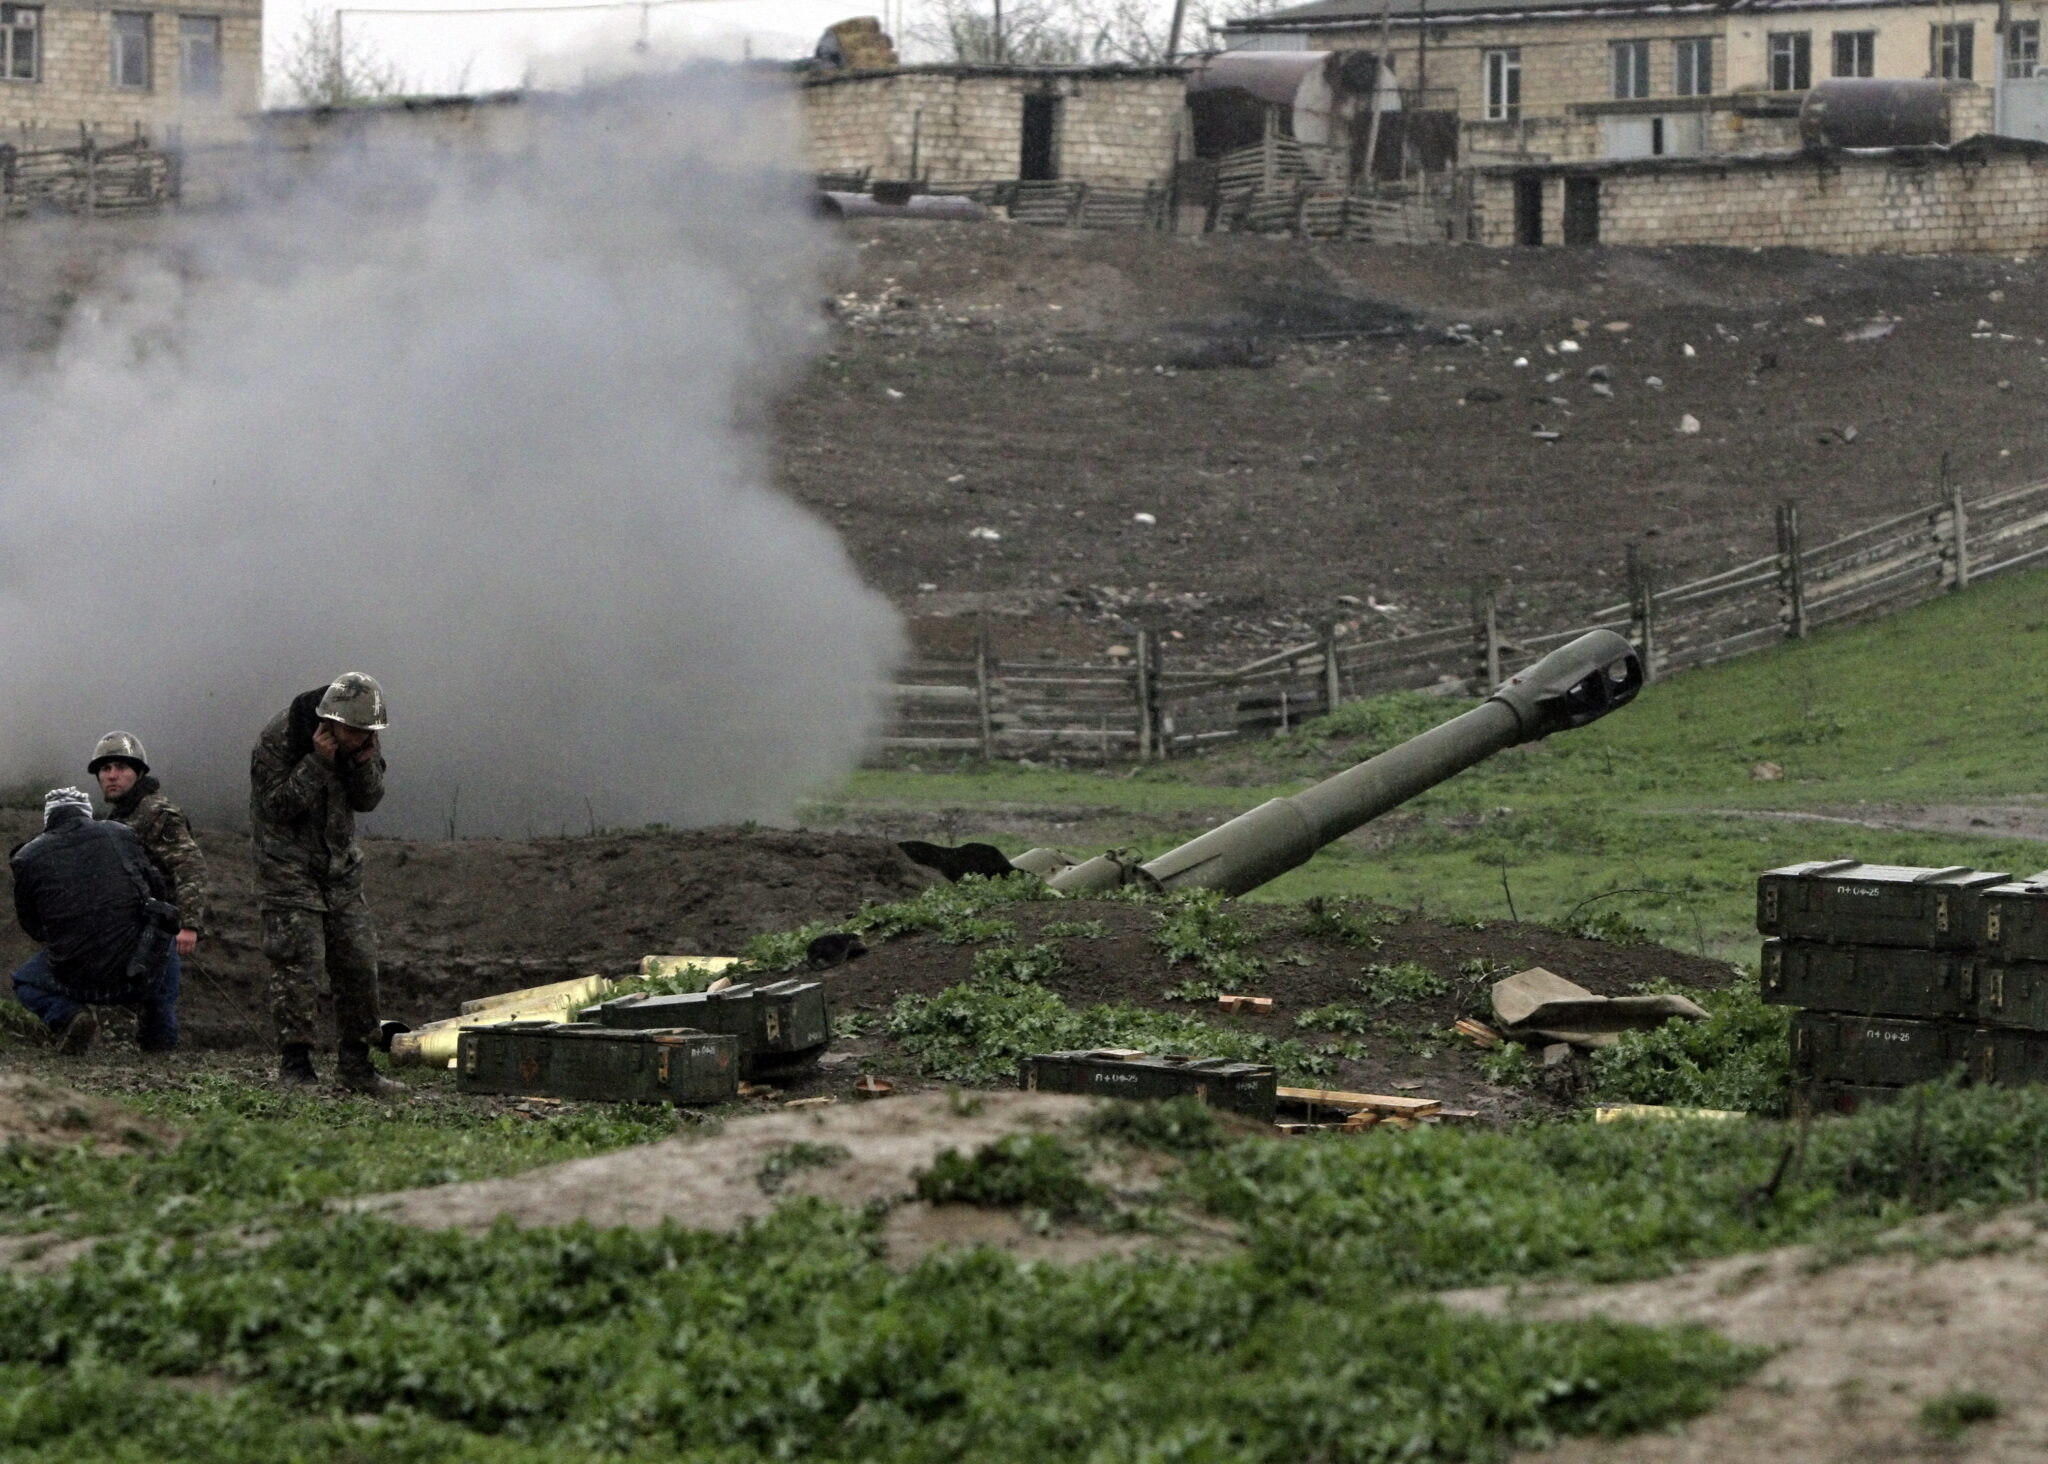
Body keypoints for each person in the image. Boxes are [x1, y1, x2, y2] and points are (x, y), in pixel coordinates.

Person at [249, 672, 402, 1094]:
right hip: (287, 870)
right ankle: (295, 1069)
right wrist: (317, 763)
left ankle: (357, 1065)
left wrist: (361, 762)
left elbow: (368, 800)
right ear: (329, 721)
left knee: (358, 963)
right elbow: (275, 806)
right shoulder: (279, 737)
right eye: (353, 731)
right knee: (299, 967)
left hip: (341, 871)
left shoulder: (362, 738)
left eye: (367, 732)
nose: (360, 737)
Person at [9, 787, 181, 1054]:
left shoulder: (26, 857)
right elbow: (157, 890)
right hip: (138, 973)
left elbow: (31, 925)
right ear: (86, 813)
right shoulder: (120, 833)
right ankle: (162, 1041)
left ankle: (68, 1015)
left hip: (76, 979)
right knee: (163, 939)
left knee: (25, 981)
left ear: (49, 818)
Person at [88, 731, 208, 962]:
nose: (112, 776)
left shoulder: (156, 813)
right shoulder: (121, 814)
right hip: (130, 929)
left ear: (139, 773)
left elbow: (190, 865)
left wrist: (189, 924)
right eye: (105, 769)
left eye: (121, 767)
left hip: (159, 932)